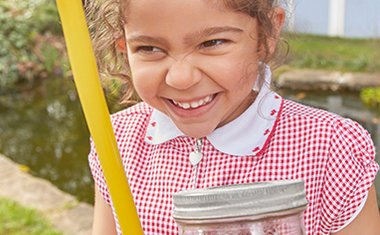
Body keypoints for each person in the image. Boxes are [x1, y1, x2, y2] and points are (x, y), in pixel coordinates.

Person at [85, 0, 380, 234]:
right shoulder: (115, 141)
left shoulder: (331, 148)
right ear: (124, 47)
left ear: (266, 35)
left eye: (212, 43)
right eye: (149, 48)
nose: (181, 78)